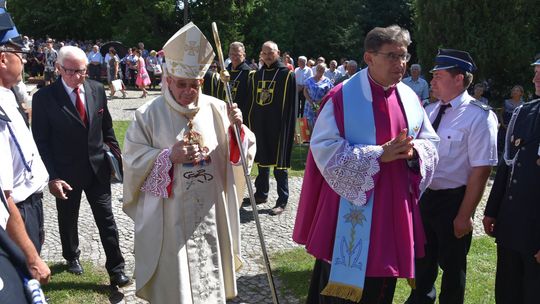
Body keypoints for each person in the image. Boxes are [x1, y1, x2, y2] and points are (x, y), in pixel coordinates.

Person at [293, 25, 439, 304]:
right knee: (340, 289)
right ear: (369, 58)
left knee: (382, 286)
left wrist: (414, 152)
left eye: (404, 56)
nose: (401, 64)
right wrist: (376, 155)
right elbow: (323, 147)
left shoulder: (409, 98)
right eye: (393, 56)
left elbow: (430, 142)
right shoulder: (341, 96)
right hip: (350, 206)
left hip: (393, 208)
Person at [122, 22, 256, 303]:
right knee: (178, 285)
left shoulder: (218, 108)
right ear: (168, 79)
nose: (187, 91)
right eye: (181, 84)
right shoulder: (148, 115)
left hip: (211, 208)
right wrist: (169, 156)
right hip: (170, 216)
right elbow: (132, 161)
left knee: (211, 273)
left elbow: (239, 158)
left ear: (202, 82)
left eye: (193, 85)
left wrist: (237, 131)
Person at [31, 46, 130, 287]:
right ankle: (71, 255)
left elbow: (107, 128)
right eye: (71, 71)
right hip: (65, 173)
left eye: (82, 71)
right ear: (58, 68)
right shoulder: (44, 98)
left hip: (97, 169)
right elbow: (41, 142)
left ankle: (116, 269)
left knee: (107, 219)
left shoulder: (96, 89)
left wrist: (114, 155)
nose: (78, 77)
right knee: (68, 218)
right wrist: (53, 177)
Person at [407, 49, 498, 304]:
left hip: (454, 200)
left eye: (438, 75)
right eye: (432, 76)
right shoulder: (430, 110)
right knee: (422, 262)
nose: (432, 81)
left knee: (453, 268)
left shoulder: (479, 116)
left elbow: (481, 169)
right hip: (426, 198)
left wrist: (464, 214)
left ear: (459, 79)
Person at [482, 55, 540, 304]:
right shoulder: (524, 112)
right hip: (512, 223)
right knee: (507, 291)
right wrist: (492, 210)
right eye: (536, 72)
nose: (535, 78)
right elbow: (507, 166)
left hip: (537, 230)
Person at [0, 5, 51, 286]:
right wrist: (31, 257)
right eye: (20, 55)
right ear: (3, 59)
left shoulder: (7, 95)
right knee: (25, 283)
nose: (24, 61)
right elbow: (2, 196)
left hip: (32, 204)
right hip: (17, 212)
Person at [247, 41, 296, 215]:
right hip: (260, 124)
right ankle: (261, 194)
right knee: (262, 161)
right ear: (261, 54)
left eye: (271, 53)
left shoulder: (287, 75)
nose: (268, 56)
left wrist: (289, 128)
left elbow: (291, 105)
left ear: (278, 53)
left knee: (279, 165)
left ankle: (282, 201)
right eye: (265, 53)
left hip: (279, 126)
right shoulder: (256, 75)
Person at [224, 41, 254, 116]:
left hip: (241, 113)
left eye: (238, 55)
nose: (234, 57)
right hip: (224, 111)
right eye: (232, 54)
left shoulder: (249, 74)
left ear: (244, 55)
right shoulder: (225, 72)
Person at [303, 62, 333, 131]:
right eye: (318, 68)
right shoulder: (309, 79)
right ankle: (309, 139)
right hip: (310, 104)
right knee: (309, 121)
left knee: (319, 121)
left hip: (321, 104)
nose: (320, 70)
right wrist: (310, 101)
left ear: (325, 70)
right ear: (316, 69)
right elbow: (305, 91)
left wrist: (320, 101)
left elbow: (329, 92)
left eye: (322, 69)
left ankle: (316, 139)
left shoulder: (327, 80)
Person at [497, 85, 524, 156]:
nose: (515, 92)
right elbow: (501, 114)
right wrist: (502, 124)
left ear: (521, 93)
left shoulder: (523, 104)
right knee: (501, 144)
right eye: (514, 90)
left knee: (512, 145)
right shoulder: (506, 102)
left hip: (516, 128)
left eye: (517, 90)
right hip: (504, 126)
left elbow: (523, 118)